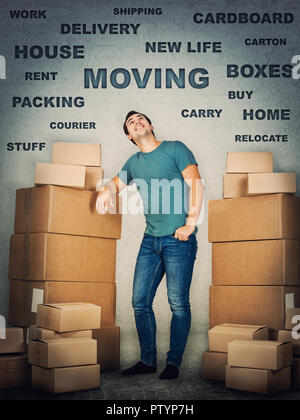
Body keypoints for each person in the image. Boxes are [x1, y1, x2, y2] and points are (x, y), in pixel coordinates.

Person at [96, 111, 204, 379]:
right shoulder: (133, 162)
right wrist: (104, 192)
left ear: (151, 125)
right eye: (131, 123)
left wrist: (190, 223)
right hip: (150, 240)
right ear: (129, 136)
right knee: (139, 301)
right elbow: (113, 184)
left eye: (141, 118)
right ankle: (147, 360)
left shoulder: (175, 149)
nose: (137, 122)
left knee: (178, 303)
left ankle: (173, 363)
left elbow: (196, 184)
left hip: (179, 239)